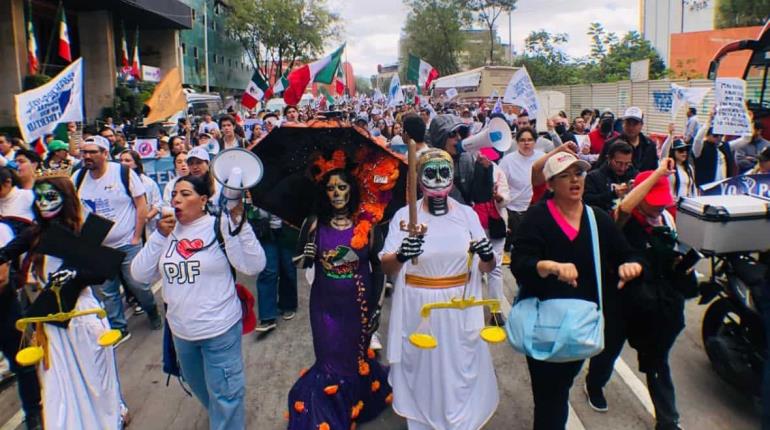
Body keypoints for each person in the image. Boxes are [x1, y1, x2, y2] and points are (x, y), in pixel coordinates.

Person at [511, 152, 643, 430]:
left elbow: (626, 253)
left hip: (581, 326)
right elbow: (520, 264)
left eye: (579, 173)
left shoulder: (597, 219)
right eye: (565, 175)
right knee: (550, 398)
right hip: (542, 325)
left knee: (562, 385)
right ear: (549, 184)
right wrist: (546, 266)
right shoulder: (537, 218)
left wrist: (630, 266)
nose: (574, 180)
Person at [131, 175, 265, 430]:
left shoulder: (220, 225)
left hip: (220, 330)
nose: (177, 200)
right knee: (202, 387)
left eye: (185, 194)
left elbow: (255, 265)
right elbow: (139, 276)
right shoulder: (167, 232)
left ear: (203, 200)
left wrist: (239, 221)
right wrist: (159, 236)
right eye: (174, 195)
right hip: (181, 333)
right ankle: (223, 417)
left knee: (227, 395)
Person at [382, 148, 499, 429]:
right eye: (429, 173)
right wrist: (400, 255)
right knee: (423, 366)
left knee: (459, 367)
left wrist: (486, 255)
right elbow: (387, 268)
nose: (437, 179)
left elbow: (487, 267)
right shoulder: (404, 216)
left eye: (443, 172)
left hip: (459, 306)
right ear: (420, 177)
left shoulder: (468, 215)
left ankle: (460, 420)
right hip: (418, 309)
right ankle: (422, 420)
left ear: (453, 176)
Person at [0, 172, 128, 429]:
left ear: (66, 197)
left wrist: (75, 275)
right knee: (60, 386)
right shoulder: (34, 234)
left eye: (51, 196)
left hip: (82, 317)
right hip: (52, 325)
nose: (44, 203)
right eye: (39, 198)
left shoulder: (85, 231)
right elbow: (5, 252)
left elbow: (102, 273)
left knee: (97, 382)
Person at [585, 160, 688, 430]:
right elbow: (624, 208)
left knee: (657, 361)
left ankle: (668, 420)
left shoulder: (666, 218)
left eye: (662, 200)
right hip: (620, 302)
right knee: (608, 351)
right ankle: (594, 385)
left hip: (653, 304)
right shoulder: (620, 219)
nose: (658, 206)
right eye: (653, 200)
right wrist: (656, 174)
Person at [287, 166, 392, 429]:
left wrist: (377, 309)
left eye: (342, 187)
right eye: (331, 188)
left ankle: (354, 402)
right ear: (325, 192)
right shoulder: (312, 223)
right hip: (324, 307)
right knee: (328, 360)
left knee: (354, 359)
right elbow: (298, 262)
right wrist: (307, 255)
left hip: (359, 305)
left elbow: (379, 269)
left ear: (351, 191)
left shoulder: (367, 225)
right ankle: (330, 414)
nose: (336, 193)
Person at [72, 135, 161, 340]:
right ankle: (119, 328)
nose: (87, 156)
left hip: (127, 244)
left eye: (92, 152)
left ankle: (151, 310)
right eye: (84, 152)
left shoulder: (123, 173)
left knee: (138, 284)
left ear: (105, 154)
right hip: (98, 248)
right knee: (108, 291)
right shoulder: (77, 178)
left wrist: (136, 236)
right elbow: (74, 210)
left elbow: (141, 206)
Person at [499, 127, 544, 251]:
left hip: (535, 209)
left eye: (530, 140)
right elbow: (499, 184)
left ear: (535, 142)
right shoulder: (508, 160)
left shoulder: (542, 158)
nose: (526, 143)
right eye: (523, 140)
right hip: (513, 211)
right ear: (517, 142)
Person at [584, 141, 637, 213]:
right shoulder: (593, 177)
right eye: (618, 163)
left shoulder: (634, 176)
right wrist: (612, 194)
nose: (622, 168)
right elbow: (587, 201)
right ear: (609, 158)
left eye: (627, 164)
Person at [119, 150, 162, 234]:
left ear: (136, 164)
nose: (123, 163)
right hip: (122, 228)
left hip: (145, 227)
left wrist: (145, 219)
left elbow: (158, 204)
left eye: (127, 160)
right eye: (121, 160)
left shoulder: (149, 182)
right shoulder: (114, 183)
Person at [692, 121, 736, 186]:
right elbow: (697, 139)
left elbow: (745, 140)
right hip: (707, 186)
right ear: (707, 135)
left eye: (721, 135)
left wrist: (748, 120)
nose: (719, 137)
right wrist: (708, 123)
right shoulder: (701, 148)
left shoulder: (725, 146)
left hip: (723, 186)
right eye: (715, 135)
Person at [660, 125, 697, 199]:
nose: (684, 152)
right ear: (673, 152)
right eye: (680, 150)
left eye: (686, 149)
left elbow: (693, 189)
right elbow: (664, 154)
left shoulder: (689, 168)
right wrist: (670, 135)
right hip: (671, 205)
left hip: (686, 205)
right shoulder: (668, 167)